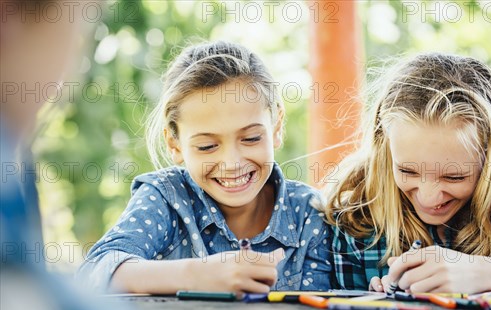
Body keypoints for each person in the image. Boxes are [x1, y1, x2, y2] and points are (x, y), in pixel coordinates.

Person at [324, 53, 491, 298]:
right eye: (407, 171)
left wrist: (482, 273)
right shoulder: (357, 208)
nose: (429, 196)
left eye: (454, 177)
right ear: (385, 145)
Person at [77, 41, 333, 295]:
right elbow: (96, 271)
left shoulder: (307, 214)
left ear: (276, 127)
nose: (232, 163)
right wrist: (196, 275)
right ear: (174, 144)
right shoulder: (166, 198)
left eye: (251, 138)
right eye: (208, 146)